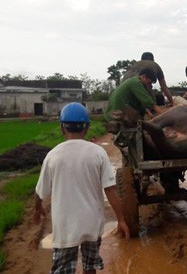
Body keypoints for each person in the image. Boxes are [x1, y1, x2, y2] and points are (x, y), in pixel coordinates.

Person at [34, 102, 130, 274]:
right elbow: (110, 190)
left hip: (65, 227)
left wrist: (37, 208)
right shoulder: (98, 153)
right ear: (86, 128)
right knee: (90, 267)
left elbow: (40, 191)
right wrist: (121, 219)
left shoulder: (52, 156)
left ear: (62, 128)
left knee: (62, 270)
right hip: (92, 224)